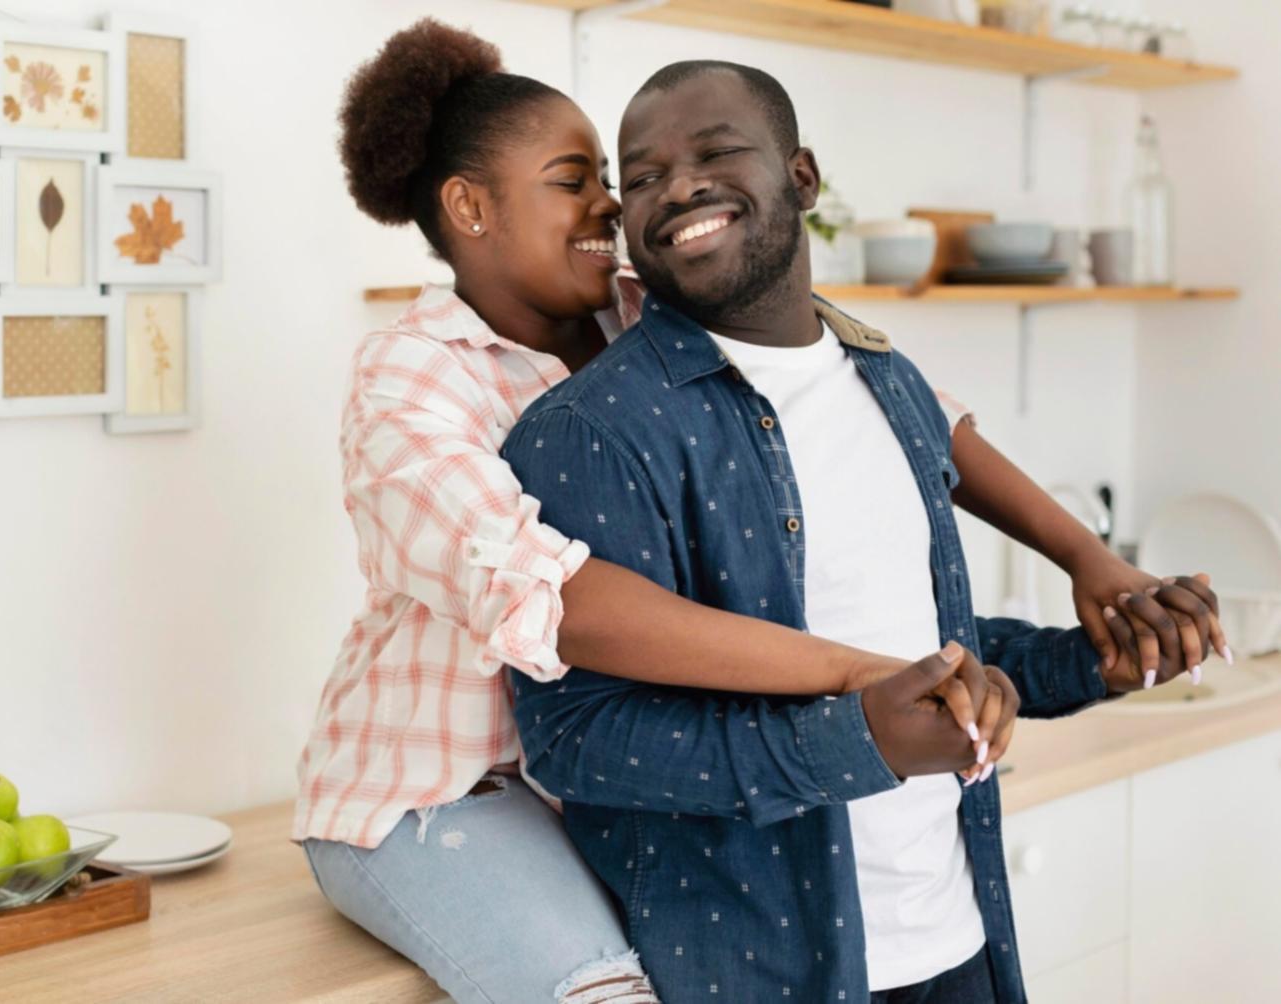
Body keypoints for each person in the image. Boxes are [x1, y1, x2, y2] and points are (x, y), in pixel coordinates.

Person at [296, 22, 1227, 1004]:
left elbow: (907, 410)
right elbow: (555, 599)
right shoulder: (413, 376)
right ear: (471, 206)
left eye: (616, 179)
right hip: (439, 789)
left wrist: (1087, 559)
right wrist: (859, 674)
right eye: (578, 178)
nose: (615, 202)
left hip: (582, 784)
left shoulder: (638, 307)